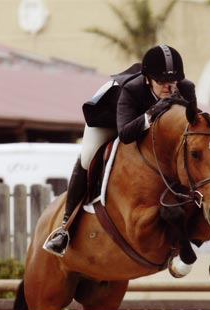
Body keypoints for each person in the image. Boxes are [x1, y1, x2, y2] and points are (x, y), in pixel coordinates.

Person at [44, 44, 196, 256]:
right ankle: (65, 228)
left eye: (172, 83)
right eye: (161, 83)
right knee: (88, 157)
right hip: (109, 119)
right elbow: (125, 133)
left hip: (141, 122)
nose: (168, 88)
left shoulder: (186, 89)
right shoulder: (131, 90)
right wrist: (152, 113)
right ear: (147, 80)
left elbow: (195, 128)